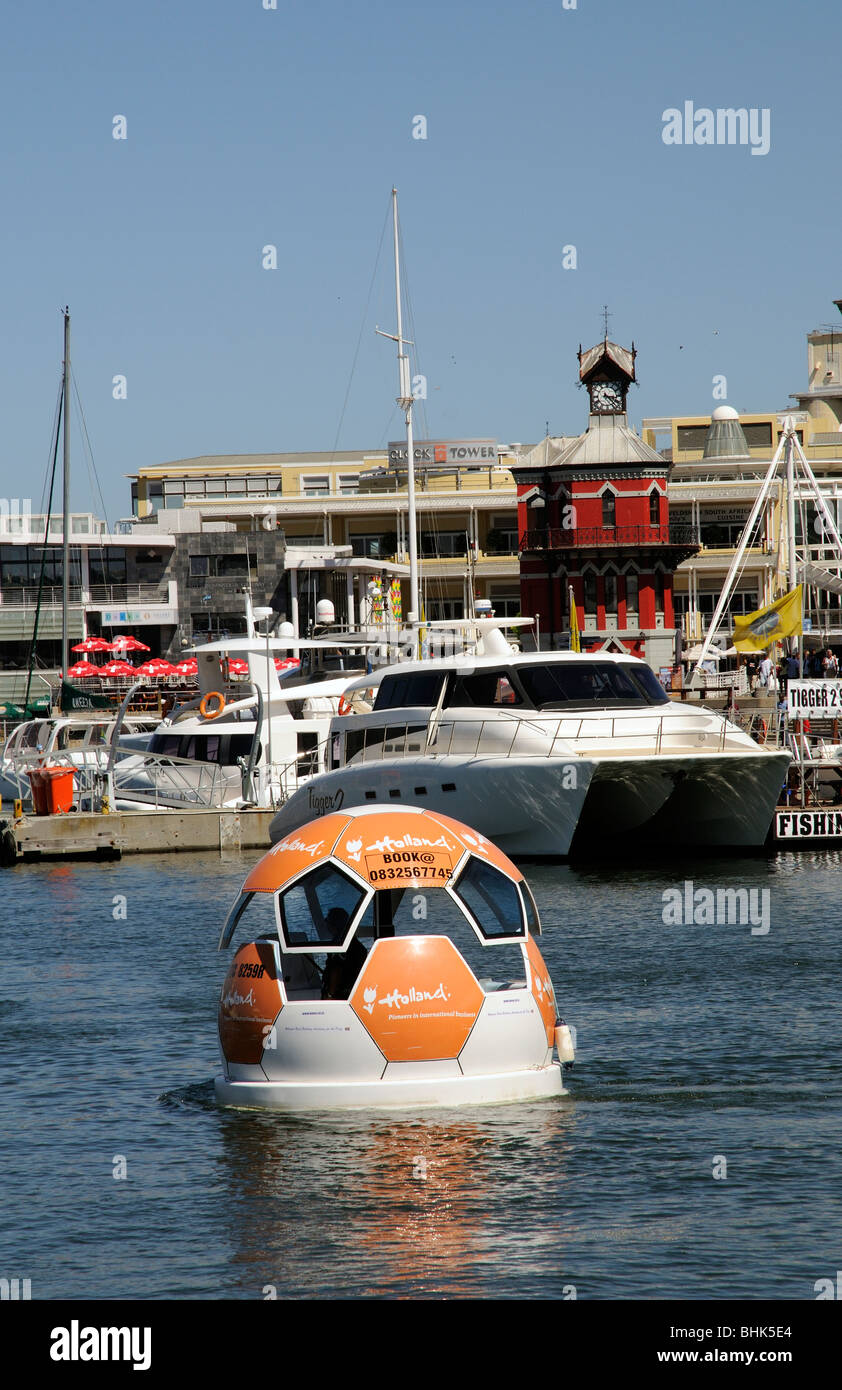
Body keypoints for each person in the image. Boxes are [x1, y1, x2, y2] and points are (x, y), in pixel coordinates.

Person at [321, 906, 367, 1000]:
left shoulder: (340, 945)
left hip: (341, 995)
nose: (325, 922)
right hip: (353, 993)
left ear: (334, 924)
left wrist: (330, 995)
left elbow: (336, 969)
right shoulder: (356, 945)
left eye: (327, 919)